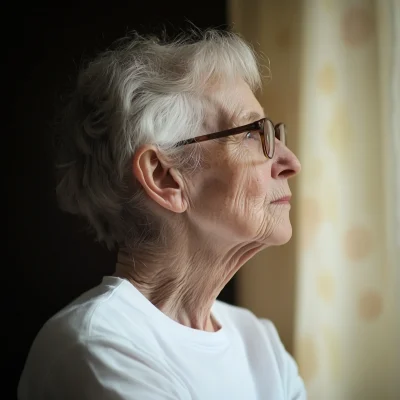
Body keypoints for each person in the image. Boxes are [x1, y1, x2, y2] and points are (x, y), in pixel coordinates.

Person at [18, 29, 305, 399]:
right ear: (165, 177)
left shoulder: (257, 340)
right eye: (253, 133)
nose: (289, 162)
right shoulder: (96, 347)